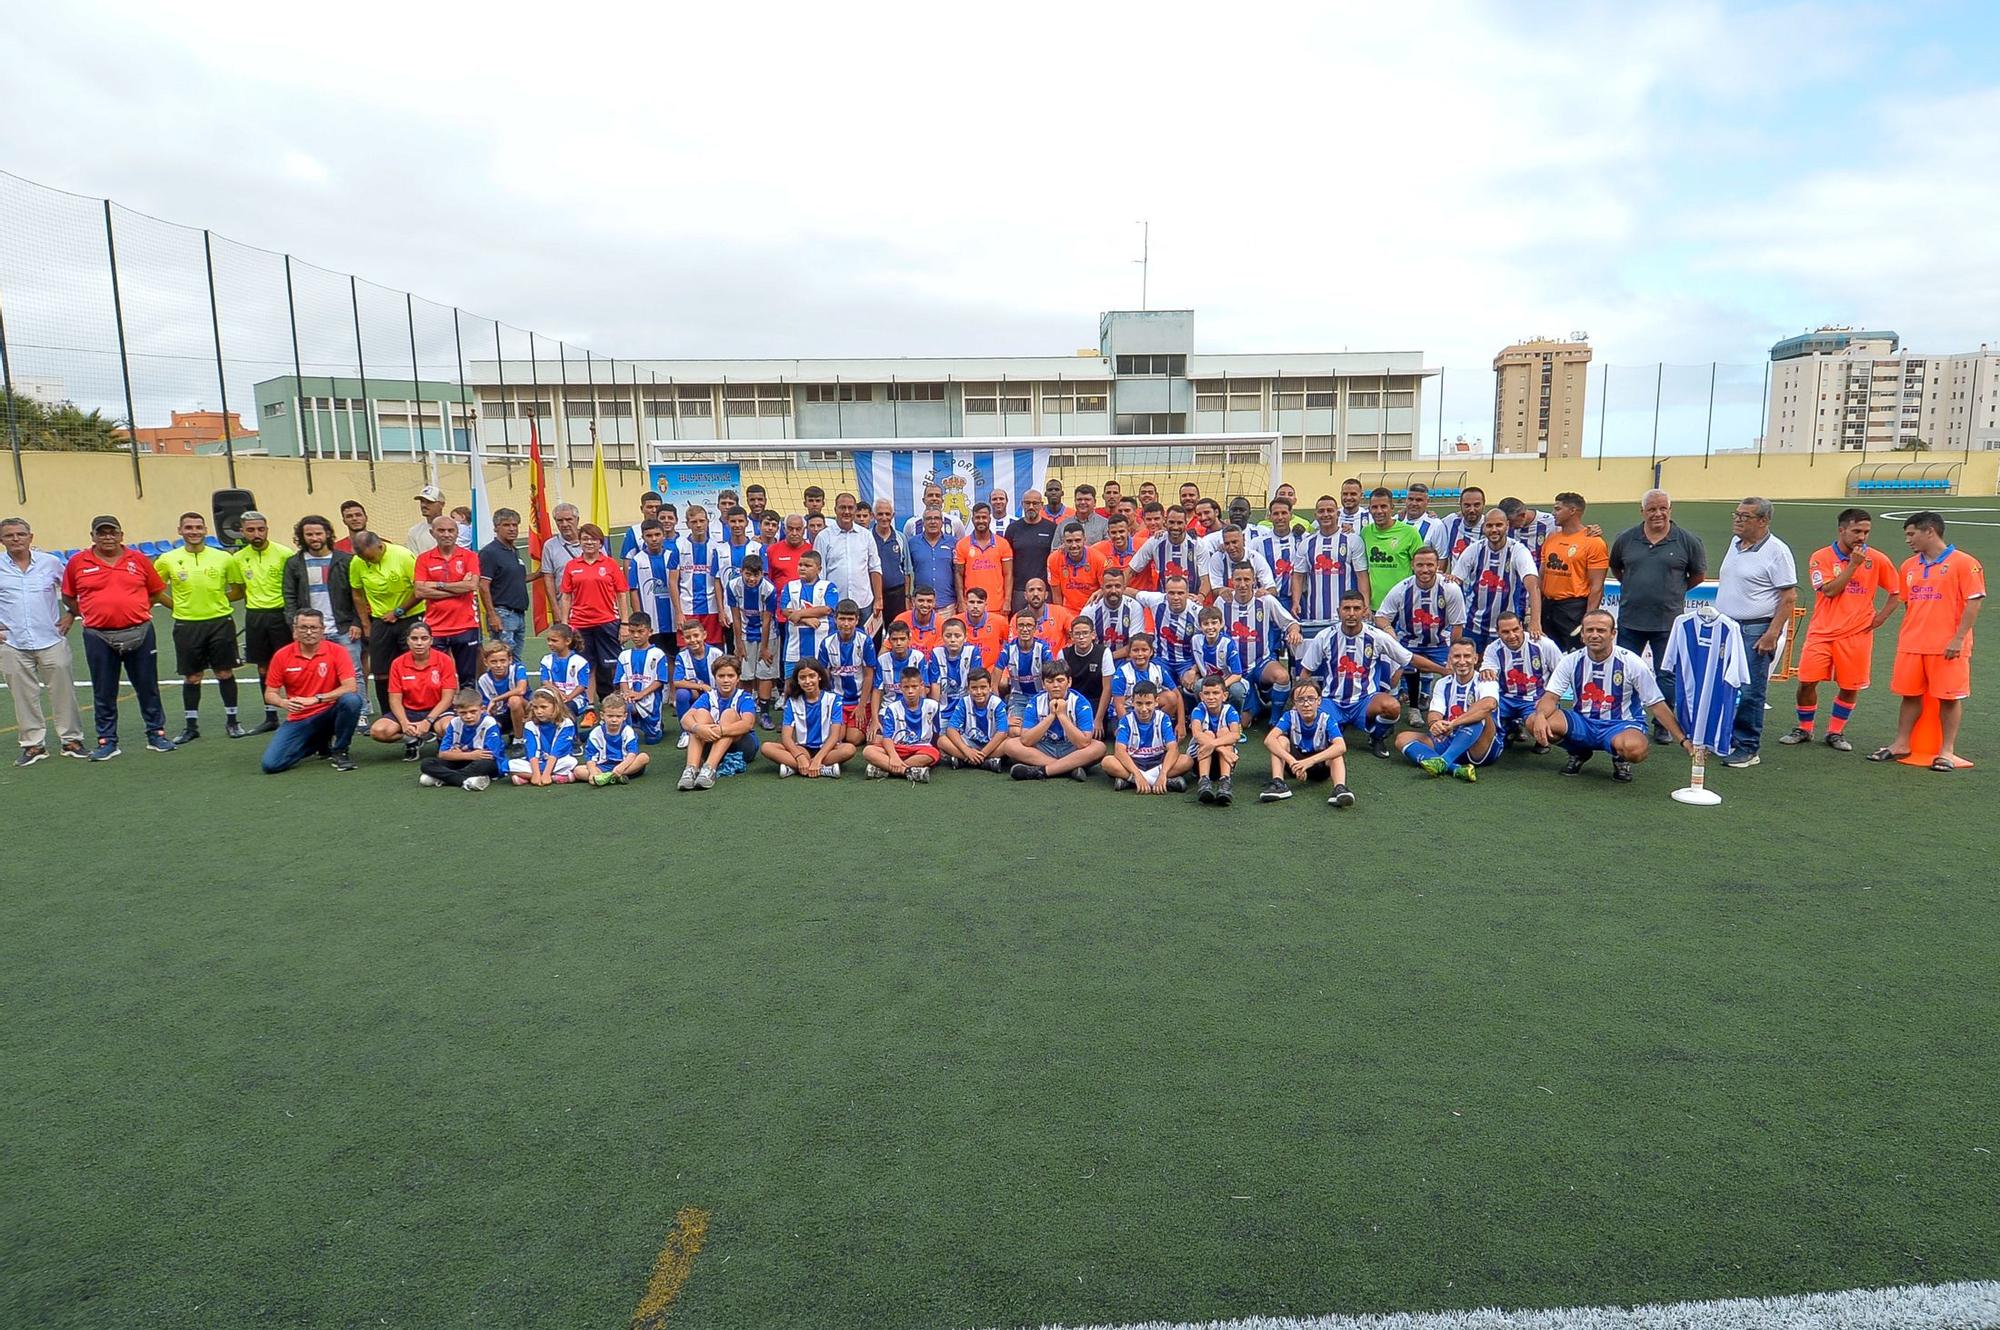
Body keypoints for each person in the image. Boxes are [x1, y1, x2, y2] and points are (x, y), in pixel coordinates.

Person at [1781, 508, 1900, 752]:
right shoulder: (1821, 557)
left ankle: (1835, 732)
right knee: (1806, 682)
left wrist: (1880, 618)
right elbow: (1830, 590)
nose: (1862, 537)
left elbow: (1896, 592)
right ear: (1842, 530)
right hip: (1821, 633)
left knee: (1850, 686)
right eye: (1857, 531)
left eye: (1866, 532)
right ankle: (1804, 728)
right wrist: (1853, 566)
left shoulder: (1877, 559)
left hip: (1857, 634)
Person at [1524, 609, 1692, 782]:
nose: (1595, 635)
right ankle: (1578, 751)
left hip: (1620, 724)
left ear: (1613, 634)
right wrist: (1540, 716)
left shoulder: (1632, 663)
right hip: (1583, 722)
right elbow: (1550, 697)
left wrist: (1682, 740)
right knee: (1533, 721)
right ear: (1582, 634)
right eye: (1590, 630)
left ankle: (1621, 760)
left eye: (1601, 630)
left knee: (1635, 749)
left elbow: (1656, 705)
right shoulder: (1571, 660)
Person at [61, 514, 175, 759]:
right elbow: (68, 596)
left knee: (147, 686)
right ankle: (107, 741)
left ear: (121, 535)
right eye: (101, 533)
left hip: (140, 631)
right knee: (104, 690)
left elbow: (155, 591)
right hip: (98, 636)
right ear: (92, 536)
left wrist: (137, 608)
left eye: (112, 532)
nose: (107, 537)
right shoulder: (78, 562)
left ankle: (157, 734)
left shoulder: (139, 559)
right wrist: (89, 614)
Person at [1876, 511, 1984, 769]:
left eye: (1911, 534)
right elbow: (1908, 604)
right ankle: (1901, 743)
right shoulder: (1908, 566)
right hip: (1912, 645)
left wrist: (1958, 638)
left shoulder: (1964, 563)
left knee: (1949, 698)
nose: (1908, 540)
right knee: (1909, 695)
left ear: (1930, 531)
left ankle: (1947, 751)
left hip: (1948, 646)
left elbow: (1974, 601)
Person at [1608, 490, 1708, 732]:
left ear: (1670, 510)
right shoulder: (1626, 539)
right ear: (1642, 511)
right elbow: (1617, 568)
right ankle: (1623, 718)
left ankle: (1663, 725)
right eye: (1652, 509)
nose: (1658, 513)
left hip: (1668, 622)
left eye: (1663, 508)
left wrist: (1672, 592)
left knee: (1667, 675)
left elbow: (1697, 575)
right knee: (1623, 671)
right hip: (1631, 619)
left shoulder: (1687, 541)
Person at [1713, 497, 1797, 768]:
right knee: (1724, 685)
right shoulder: (1735, 545)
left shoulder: (1777, 551)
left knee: (1751, 690)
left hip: (1755, 628)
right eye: (1736, 514)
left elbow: (1788, 597)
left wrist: (1772, 633)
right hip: (1727, 626)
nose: (1737, 520)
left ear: (1763, 521)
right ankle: (1726, 737)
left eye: (1745, 516)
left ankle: (1748, 747)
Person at [1295, 589, 1429, 759]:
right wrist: (1301, 700)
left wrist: (1443, 669)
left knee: (1392, 706)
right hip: (1332, 700)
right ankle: (1334, 726)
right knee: (1314, 733)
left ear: (1365, 611)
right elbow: (1306, 670)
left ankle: (1376, 737)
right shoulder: (1325, 636)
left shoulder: (1376, 636)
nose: (1351, 613)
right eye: (1346, 608)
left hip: (1364, 700)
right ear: (1338, 611)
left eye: (1356, 608)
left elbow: (1409, 658)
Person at [0, 515, 87, 763]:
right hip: (12, 642)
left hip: (51, 638)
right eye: (9, 535)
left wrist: (71, 614)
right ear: (1, 539)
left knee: (64, 692)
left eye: (20, 534)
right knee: (22, 696)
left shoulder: (50, 563)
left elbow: (73, 591)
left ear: (31, 537)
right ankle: (33, 745)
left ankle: (71, 740)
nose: (16, 539)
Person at [155, 510, 245, 742]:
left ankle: (233, 721)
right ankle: (191, 726)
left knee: (224, 672)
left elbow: (237, 590)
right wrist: (176, 606)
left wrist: (219, 601)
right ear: (180, 531)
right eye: (188, 528)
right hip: (186, 625)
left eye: (198, 527)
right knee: (192, 677)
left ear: (206, 530)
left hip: (220, 622)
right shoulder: (167, 559)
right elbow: (155, 589)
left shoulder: (224, 558)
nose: (193, 532)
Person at [258, 608, 362, 773]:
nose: (308, 632)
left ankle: (340, 750)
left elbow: (350, 687)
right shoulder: (282, 655)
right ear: (295, 630)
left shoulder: (337, 651)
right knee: (271, 765)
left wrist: (317, 699)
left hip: (330, 712)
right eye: (303, 627)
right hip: (300, 717)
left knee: (352, 701)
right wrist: (282, 702)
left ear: (323, 630)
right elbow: (270, 694)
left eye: (314, 628)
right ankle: (315, 743)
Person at [283, 514, 364, 721]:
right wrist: (295, 626)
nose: (314, 538)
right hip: (311, 631)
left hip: (343, 628)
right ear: (302, 537)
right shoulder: (294, 563)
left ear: (327, 534)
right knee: (316, 675)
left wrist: (357, 622)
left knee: (353, 673)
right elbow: (289, 597)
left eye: (318, 533)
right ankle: (319, 716)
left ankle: (360, 713)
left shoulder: (346, 560)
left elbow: (358, 594)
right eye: (309, 534)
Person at [1374, 547, 1467, 715]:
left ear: (1438, 565)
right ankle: (1412, 707)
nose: (1425, 570)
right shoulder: (1402, 589)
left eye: (1430, 565)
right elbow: (1380, 616)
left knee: (1458, 668)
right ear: (1412, 565)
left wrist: (1453, 654)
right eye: (1420, 565)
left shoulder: (1450, 588)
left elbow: (1457, 625)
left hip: (1440, 642)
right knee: (1394, 667)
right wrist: (1389, 630)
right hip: (1409, 640)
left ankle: (1452, 709)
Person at [1396, 640, 1502, 781]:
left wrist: (1454, 724)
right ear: (1449, 659)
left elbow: (1488, 705)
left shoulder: (1486, 679)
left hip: (1481, 746)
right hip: (1451, 738)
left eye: (1467, 656)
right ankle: (1456, 768)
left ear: (1475, 659)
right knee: (1402, 738)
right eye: (1457, 656)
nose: (1462, 661)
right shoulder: (1442, 683)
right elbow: (1435, 713)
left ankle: (1444, 761)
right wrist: (1435, 724)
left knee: (1479, 715)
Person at [227, 511, 294, 734]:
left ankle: (297, 713)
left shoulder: (284, 554)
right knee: (263, 667)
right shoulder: (238, 559)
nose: (256, 534)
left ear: (267, 529)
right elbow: (239, 591)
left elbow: (292, 587)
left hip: (281, 615)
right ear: (242, 532)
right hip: (255, 617)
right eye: (251, 530)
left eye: (260, 529)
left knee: (292, 666)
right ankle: (270, 716)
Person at [348, 530, 425, 715]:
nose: (366, 562)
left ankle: (417, 713)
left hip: (410, 618)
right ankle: (388, 715)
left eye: (369, 558)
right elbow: (357, 593)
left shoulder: (403, 556)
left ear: (380, 546)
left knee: (414, 668)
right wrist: (366, 624)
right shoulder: (357, 562)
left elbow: (420, 589)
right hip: (380, 621)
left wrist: (399, 611)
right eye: (362, 558)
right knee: (381, 672)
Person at [1216, 559, 1302, 723]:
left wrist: (1294, 631)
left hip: (1261, 662)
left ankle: (1275, 717)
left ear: (1254, 580)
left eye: (1247, 579)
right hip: (1233, 668)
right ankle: (1257, 703)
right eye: (1238, 580)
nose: (1242, 584)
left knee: (1282, 676)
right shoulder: (1222, 601)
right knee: (1243, 722)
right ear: (1231, 581)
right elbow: (1209, 626)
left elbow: (1290, 622)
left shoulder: (1265, 600)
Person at [1453, 509, 1542, 652]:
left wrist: (1535, 622)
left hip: (1507, 628)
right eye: (1489, 526)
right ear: (1483, 527)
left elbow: (1533, 587)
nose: (1494, 530)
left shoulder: (1518, 551)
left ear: (1507, 525)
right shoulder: (1474, 550)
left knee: (1505, 669)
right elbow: (1455, 582)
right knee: (1471, 667)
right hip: (1473, 624)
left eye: (1498, 525)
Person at [561, 523, 630, 703]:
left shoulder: (610, 564)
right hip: (580, 625)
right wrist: (564, 625)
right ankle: (589, 706)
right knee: (587, 666)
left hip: (608, 622)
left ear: (601, 543)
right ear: (580, 542)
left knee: (613, 665)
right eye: (585, 539)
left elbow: (622, 594)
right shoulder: (571, 566)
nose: (589, 542)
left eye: (593, 539)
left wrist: (624, 623)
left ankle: (619, 703)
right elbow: (566, 597)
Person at [367, 619, 457, 758]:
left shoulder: (444, 660)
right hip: (409, 712)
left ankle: (440, 738)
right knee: (379, 731)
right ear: (408, 641)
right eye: (414, 638)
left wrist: (428, 721)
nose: (419, 643)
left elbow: (447, 697)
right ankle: (412, 740)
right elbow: (395, 699)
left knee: (449, 728)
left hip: (438, 711)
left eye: (424, 638)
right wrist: (404, 724)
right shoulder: (398, 663)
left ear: (431, 640)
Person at [1001, 660, 1104, 780]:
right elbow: (1026, 740)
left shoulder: (1081, 703)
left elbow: (1083, 742)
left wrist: (1062, 716)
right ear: (1043, 684)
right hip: (1045, 747)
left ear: (1069, 682)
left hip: (1071, 748)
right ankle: (1067, 769)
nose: (1055, 685)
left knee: (1099, 748)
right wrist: (1050, 716)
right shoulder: (1035, 702)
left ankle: (1044, 771)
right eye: (1049, 681)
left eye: (1060, 680)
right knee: (1010, 745)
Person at [1260, 677, 1353, 806]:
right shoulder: (1289, 716)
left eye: (1311, 699)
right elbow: (1269, 740)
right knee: (1280, 740)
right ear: (1294, 703)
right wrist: (1293, 762)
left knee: (1336, 752)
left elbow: (1341, 746)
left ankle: (1339, 789)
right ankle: (1278, 783)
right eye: (1300, 699)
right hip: (1294, 764)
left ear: (1319, 701)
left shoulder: (1327, 719)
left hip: (1319, 765)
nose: (1306, 704)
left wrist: (1308, 762)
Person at [413, 514, 481, 684]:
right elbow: (420, 592)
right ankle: (444, 710)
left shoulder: (469, 556)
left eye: (451, 530)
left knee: (468, 678)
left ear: (457, 533)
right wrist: (458, 588)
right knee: (438, 679)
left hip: (465, 626)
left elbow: (471, 586)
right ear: (432, 533)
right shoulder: (423, 559)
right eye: (441, 530)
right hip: (435, 628)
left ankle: (468, 710)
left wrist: (437, 585)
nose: (446, 534)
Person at [1482, 609, 1563, 752]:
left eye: (1515, 629)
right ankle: (1511, 727)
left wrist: (1550, 699)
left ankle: (1537, 735)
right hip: (1505, 699)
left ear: (1521, 626)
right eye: (1506, 632)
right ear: (1498, 631)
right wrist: (1487, 672)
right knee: (1482, 719)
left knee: (1552, 732)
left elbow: (1561, 673)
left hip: (1536, 699)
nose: (1512, 636)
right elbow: (1488, 671)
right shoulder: (1493, 649)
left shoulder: (1543, 644)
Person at [1537, 492, 1609, 652]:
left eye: (1558, 509)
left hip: (1573, 609)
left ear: (1572, 510)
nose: (1553, 513)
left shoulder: (1594, 542)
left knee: (1574, 655)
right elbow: (1541, 576)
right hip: (1548, 607)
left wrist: (1589, 620)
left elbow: (1596, 586)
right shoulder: (1551, 538)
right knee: (1546, 655)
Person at [679, 655, 761, 787]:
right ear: (715, 678)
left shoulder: (744, 697)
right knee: (700, 715)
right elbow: (685, 719)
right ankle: (691, 769)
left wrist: (721, 730)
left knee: (729, 714)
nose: (726, 680)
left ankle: (709, 769)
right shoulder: (709, 696)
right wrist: (697, 728)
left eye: (730, 676)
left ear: (738, 678)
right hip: (712, 744)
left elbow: (748, 724)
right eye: (721, 676)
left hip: (742, 747)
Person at [763, 658, 853, 778]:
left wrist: (818, 759)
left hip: (827, 750)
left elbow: (834, 736)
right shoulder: (792, 702)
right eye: (803, 678)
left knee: (849, 749)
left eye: (812, 676)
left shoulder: (833, 699)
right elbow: (786, 737)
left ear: (819, 677)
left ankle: (797, 768)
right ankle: (821, 769)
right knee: (766, 747)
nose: (808, 681)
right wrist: (799, 757)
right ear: (797, 681)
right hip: (802, 749)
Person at [1103, 679, 1191, 795]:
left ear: (1156, 702)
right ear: (1132, 702)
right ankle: (1161, 782)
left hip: (1158, 762)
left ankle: (1130, 781)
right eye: (1139, 703)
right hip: (1134, 763)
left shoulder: (1163, 718)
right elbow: (1120, 751)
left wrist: (1163, 773)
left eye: (1148, 703)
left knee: (1187, 760)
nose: (1144, 709)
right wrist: (1137, 775)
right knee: (1107, 762)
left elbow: (1173, 749)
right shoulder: (1126, 720)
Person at [724, 553, 781, 726]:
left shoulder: (769, 588)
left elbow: (767, 620)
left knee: (765, 673)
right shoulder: (733, 586)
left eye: (756, 575)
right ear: (741, 572)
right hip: (744, 633)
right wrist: (738, 644)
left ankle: (764, 713)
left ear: (762, 574)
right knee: (745, 674)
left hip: (767, 634)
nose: (751, 579)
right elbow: (735, 616)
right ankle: (745, 712)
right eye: (748, 574)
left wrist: (764, 648)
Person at [814, 493, 883, 630]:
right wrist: (821, 603)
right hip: (833, 603)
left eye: (850, 508)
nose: (846, 512)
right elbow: (819, 573)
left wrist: (878, 599)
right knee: (834, 645)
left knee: (863, 645)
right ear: (835, 510)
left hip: (863, 602)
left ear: (855, 510)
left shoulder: (866, 536)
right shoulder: (823, 537)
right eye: (842, 508)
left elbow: (875, 568)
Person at [815, 599, 878, 745]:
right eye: (842, 619)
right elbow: (823, 676)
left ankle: (864, 722)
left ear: (857, 620)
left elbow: (869, 676)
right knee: (838, 737)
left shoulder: (865, 641)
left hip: (859, 700)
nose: (846, 624)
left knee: (853, 739)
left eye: (850, 619)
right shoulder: (827, 643)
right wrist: (827, 704)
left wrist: (862, 705)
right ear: (835, 619)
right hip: (838, 700)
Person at [865, 667, 943, 783]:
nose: (910, 691)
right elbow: (887, 738)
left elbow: (937, 733)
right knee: (868, 751)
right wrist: (894, 756)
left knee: (933, 753)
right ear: (900, 688)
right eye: (906, 687)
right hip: (897, 748)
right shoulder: (892, 708)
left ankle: (885, 769)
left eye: (914, 687)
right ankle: (908, 771)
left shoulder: (933, 706)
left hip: (920, 748)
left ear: (921, 686)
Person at [419, 688, 505, 791]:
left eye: (473, 712)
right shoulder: (454, 723)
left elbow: (489, 755)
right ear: (456, 712)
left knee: (485, 764)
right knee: (426, 763)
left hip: (484, 763)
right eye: (463, 713)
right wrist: (470, 755)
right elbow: (442, 754)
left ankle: (444, 778)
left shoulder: (489, 723)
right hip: (462, 759)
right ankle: (465, 781)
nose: (468, 716)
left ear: (482, 709)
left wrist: (458, 754)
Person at [668, 503, 726, 649]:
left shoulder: (717, 548)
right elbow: (672, 582)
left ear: (708, 522)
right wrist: (679, 612)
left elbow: (720, 581)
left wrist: (721, 610)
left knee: (714, 651)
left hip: (711, 607)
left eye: (702, 521)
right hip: (687, 608)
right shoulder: (678, 547)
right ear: (687, 524)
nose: (698, 525)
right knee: (687, 649)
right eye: (694, 522)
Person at [1295, 496, 1363, 621]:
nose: (1325, 514)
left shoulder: (1352, 540)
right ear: (1315, 515)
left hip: (1347, 615)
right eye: (1321, 511)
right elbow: (1298, 576)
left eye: (1330, 510)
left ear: (1337, 514)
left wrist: (1366, 605)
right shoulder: (1306, 543)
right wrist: (1295, 602)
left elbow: (1361, 575)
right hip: (1315, 615)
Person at [1360, 488, 1428, 609]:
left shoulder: (1410, 533)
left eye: (1383, 506)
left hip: (1403, 604)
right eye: (1374, 507)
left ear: (1392, 507)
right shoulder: (1365, 533)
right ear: (1369, 509)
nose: (1379, 511)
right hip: (1376, 607)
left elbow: (1422, 566)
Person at [477, 507, 530, 662]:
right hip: (503, 614)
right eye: (507, 525)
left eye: (515, 525)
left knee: (515, 659)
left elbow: (514, 578)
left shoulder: (513, 550)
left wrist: (541, 573)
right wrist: (492, 615)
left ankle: (516, 686)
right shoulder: (490, 552)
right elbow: (483, 585)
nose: (512, 529)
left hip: (519, 614)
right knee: (502, 659)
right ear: (496, 527)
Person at [939, 667, 1010, 771]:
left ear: (990, 688)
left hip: (991, 745)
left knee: (1009, 744)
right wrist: (967, 751)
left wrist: (983, 753)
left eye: (983, 687)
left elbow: (1002, 733)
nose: (979, 692)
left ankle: (965, 760)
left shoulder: (997, 703)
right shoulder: (964, 702)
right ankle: (985, 762)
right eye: (974, 688)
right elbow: (951, 729)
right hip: (970, 743)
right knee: (942, 741)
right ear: (968, 689)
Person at [1186, 674, 1242, 804]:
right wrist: (1222, 749)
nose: (1211, 697)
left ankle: (1225, 781)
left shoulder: (1230, 710)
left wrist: (1214, 745)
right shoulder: (1198, 709)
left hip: (1222, 760)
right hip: (1200, 759)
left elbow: (1236, 735)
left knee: (1225, 732)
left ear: (1225, 695)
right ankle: (1204, 781)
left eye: (1216, 693)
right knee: (1208, 734)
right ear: (1201, 696)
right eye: (1207, 693)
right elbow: (1196, 733)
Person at [670, 617, 726, 748]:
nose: (693, 640)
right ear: (683, 639)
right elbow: (677, 682)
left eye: (696, 635)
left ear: (704, 635)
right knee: (682, 694)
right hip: (697, 694)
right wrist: (700, 686)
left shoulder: (716, 653)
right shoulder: (682, 656)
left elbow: (725, 678)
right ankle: (686, 732)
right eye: (688, 637)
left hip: (716, 695)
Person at [615, 612, 670, 743]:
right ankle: (627, 737)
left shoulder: (658, 654)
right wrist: (627, 693)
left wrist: (641, 694)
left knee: (653, 740)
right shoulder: (624, 655)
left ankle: (653, 725)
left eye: (640, 631)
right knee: (625, 706)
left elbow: (660, 680)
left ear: (650, 632)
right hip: (631, 699)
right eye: (632, 631)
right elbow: (622, 678)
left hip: (650, 701)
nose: (636, 636)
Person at [1108, 631, 1179, 727]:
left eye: (1144, 650)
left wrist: (1181, 723)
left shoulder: (1158, 670)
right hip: (1127, 711)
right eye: (1135, 650)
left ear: (1151, 652)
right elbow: (1119, 705)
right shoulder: (1122, 673)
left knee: (1171, 697)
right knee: (1129, 741)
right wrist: (1130, 728)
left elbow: (1177, 696)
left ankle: (1157, 726)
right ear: (1129, 653)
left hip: (1148, 709)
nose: (1140, 654)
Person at [510, 687, 579, 786]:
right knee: (510, 764)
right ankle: (557, 777)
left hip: (557, 760)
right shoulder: (530, 724)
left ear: (556, 706)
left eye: (543, 707)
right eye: (535, 707)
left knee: (571, 762)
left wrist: (546, 774)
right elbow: (532, 750)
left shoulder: (566, 723)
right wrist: (536, 774)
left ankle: (527, 776)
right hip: (538, 762)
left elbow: (557, 750)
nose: (538, 711)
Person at [1058, 614, 1114, 734]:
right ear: (1071, 636)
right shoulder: (1063, 654)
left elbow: (1107, 688)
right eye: (1077, 634)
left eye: (1085, 633)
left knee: (1093, 734)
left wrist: (1098, 720)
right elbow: (1060, 685)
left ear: (1093, 635)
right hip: (1072, 700)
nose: (1081, 637)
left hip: (1095, 701)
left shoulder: (1104, 652)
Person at [1130, 504, 1203, 596]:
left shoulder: (1197, 544)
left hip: (1191, 599)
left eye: (1179, 523)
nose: (1175, 527)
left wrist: (1201, 597)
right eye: (1171, 522)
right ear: (1165, 522)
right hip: (1164, 599)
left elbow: (1205, 577)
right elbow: (1131, 569)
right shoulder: (1155, 541)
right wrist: (1120, 588)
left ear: (1186, 523)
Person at [954, 503, 1013, 616]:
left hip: (998, 606)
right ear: (972, 519)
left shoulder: (1002, 543)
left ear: (990, 518)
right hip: (971, 606)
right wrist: (961, 601)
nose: (981, 521)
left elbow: (1008, 574)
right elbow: (958, 575)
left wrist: (1007, 601)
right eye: (977, 517)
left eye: (984, 517)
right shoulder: (962, 545)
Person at [1002, 490, 1056, 611]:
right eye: (1027, 503)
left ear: (1042, 505)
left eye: (1035, 503)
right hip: (1019, 590)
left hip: (1044, 589)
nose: (1031, 507)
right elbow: (1007, 563)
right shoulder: (1013, 529)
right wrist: (1008, 597)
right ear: (1022, 504)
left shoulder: (1052, 528)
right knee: (1020, 626)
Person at [997, 611, 1053, 727]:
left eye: (1029, 625)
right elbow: (994, 683)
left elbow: (1052, 676)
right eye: (1021, 625)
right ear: (1016, 628)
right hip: (1018, 697)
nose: (1025, 629)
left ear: (1035, 628)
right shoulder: (1008, 649)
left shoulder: (1043, 648)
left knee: (1043, 729)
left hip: (1041, 694)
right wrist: (999, 709)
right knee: (1014, 731)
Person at [581, 693, 650, 787]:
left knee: (644, 757)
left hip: (625, 765)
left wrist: (621, 767)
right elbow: (590, 756)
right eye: (610, 716)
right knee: (578, 771)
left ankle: (609, 777)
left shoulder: (628, 731)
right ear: (602, 715)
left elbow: (632, 754)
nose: (614, 720)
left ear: (624, 716)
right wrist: (593, 772)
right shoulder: (596, 733)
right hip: (603, 766)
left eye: (618, 716)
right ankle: (616, 777)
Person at [907, 511, 958, 617]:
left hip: (947, 605)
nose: (933, 522)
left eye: (936, 518)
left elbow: (959, 572)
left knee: (948, 634)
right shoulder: (912, 543)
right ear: (923, 522)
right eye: (929, 518)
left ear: (942, 522)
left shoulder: (953, 542)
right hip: (921, 605)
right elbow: (907, 572)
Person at [475, 638, 529, 741]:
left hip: (527, 711)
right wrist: (489, 712)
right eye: (493, 662)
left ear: (510, 660)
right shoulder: (484, 680)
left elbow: (521, 690)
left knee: (514, 700)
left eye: (502, 661)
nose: (499, 665)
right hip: (502, 714)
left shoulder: (518, 669)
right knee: (489, 728)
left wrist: (496, 699)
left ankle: (519, 739)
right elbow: (487, 707)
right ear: (486, 662)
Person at [538, 622, 592, 721]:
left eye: (554, 640)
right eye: (548, 640)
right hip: (553, 695)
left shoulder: (580, 662)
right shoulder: (546, 660)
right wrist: (557, 693)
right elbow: (545, 681)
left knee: (566, 709)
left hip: (576, 698)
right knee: (538, 707)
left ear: (567, 641)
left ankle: (573, 735)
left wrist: (568, 697)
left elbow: (582, 685)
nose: (550, 643)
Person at [1047, 521, 1105, 612]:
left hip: (1094, 609)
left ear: (1084, 539)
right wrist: (1061, 617)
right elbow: (1056, 595)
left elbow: (1105, 588)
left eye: (1078, 540)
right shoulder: (1054, 559)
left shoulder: (1098, 558)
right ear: (1063, 541)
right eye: (1069, 541)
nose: (1074, 545)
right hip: (1068, 611)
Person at [539, 503, 584, 620]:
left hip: (593, 606)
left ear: (577, 519)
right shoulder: (550, 546)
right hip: (565, 608)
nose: (564, 524)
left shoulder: (592, 541)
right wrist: (555, 609)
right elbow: (548, 578)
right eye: (560, 520)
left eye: (569, 519)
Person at [871, 498, 910, 630]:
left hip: (897, 595)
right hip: (873, 594)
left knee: (896, 630)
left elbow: (907, 570)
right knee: (874, 634)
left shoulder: (900, 538)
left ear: (892, 516)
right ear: (874, 515)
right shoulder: (867, 537)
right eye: (880, 514)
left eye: (887, 514)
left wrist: (906, 597)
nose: (884, 517)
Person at [926, 617, 980, 711]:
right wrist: (935, 710)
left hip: (967, 709)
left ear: (965, 637)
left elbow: (976, 681)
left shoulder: (972, 651)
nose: (952, 640)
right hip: (943, 710)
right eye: (948, 636)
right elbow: (935, 684)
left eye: (957, 636)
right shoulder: (936, 653)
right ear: (942, 637)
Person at [893, 584, 947, 652]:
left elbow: (939, 653)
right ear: (913, 601)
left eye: (929, 601)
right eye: (921, 601)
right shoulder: (901, 619)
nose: (925, 605)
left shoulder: (940, 623)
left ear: (934, 603)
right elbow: (887, 647)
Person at [617, 492, 665, 560]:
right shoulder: (634, 531)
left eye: (657, 507)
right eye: (650, 507)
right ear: (642, 509)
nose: (654, 510)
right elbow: (628, 559)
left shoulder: (669, 529)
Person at [408, 485, 445, 554]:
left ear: (442, 504)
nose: (423, 505)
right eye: (422, 501)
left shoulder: (453, 529)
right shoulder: (414, 532)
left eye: (429, 502)